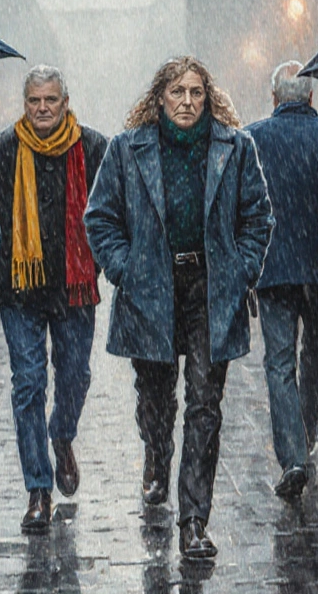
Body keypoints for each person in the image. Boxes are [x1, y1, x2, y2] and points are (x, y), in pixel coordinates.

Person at [85, 56, 273, 559]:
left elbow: (258, 216)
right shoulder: (128, 149)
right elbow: (100, 217)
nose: (187, 102)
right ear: (160, 98)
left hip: (211, 287)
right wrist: (126, 269)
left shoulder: (235, 148)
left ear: (207, 98)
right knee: (155, 398)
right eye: (177, 92)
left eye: (195, 92)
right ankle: (156, 454)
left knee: (205, 404)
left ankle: (193, 520)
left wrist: (241, 269)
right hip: (151, 287)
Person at [0, 65, 108, 533]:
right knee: (28, 383)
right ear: (24, 103)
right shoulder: (0, 149)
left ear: (66, 102)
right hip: (19, 288)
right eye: (34, 100)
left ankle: (62, 435)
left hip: (75, 287)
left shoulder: (93, 147)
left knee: (75, 375)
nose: (43, 108)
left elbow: (109, 211)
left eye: (51, 100)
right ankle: (38, 488)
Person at [244, 61, 318, 499]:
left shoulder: (250, 140)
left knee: (279, 361)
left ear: (274, 97)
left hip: (271, 268)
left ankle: (293, 455)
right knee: (316, 353)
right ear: (312, 97)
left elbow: (239, 208)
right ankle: (306, 434)